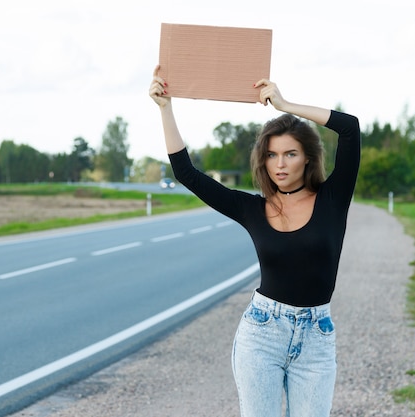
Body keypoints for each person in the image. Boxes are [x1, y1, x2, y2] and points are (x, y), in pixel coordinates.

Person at [148, 64, 361, 417]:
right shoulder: (251, 209)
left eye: (290, 153)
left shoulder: (333, 199)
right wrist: (165, 108)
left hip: (317, 337)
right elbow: (186, 173)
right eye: (272, 154)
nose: (280, 164)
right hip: (262, 334)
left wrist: (285, 104)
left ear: (307, 157)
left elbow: (350, 128)